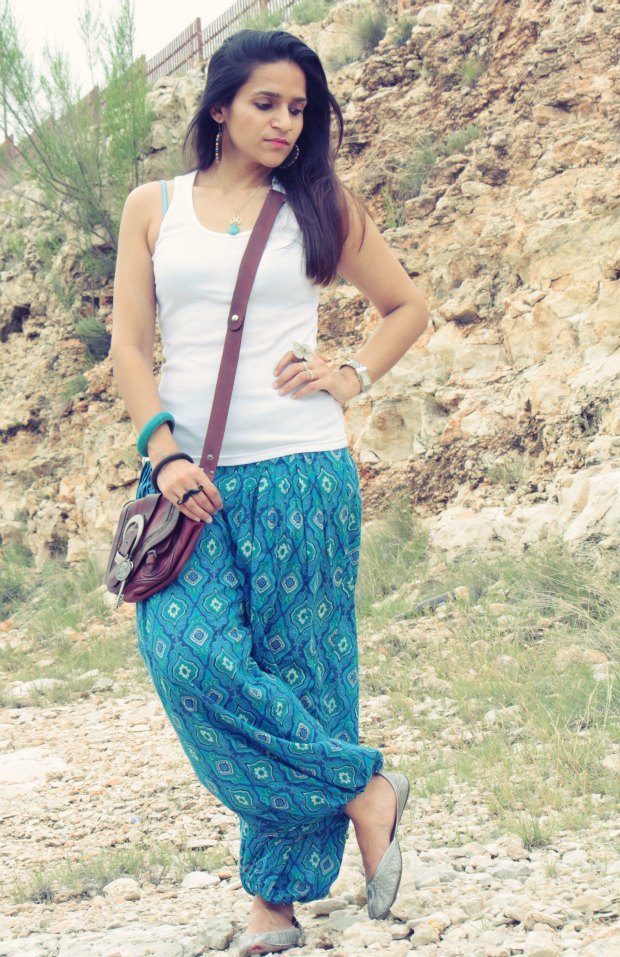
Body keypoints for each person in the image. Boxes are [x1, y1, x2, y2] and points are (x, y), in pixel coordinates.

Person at [111, 28, 428, 957]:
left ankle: (274, 904)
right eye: (266, 103)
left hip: (302, 473)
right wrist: (163, 452)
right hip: (189, 480)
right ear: (220, 105)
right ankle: (363, 786)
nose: (286, 121)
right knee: (189, 660)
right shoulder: (154, 207)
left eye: (299, 107)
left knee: (303, 675)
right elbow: (130, 345)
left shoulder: (320, 204)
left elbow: (406, 307)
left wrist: (351, 374)